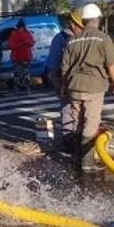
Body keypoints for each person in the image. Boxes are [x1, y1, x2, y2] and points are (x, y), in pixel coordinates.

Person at [60, 3, 114, 172]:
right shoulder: (103, 38)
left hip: (74, 87)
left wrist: (64, 87)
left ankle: (77, 157)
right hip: (93, 86)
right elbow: (111, 64)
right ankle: (87, 162)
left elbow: (64, 68)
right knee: (91, 123)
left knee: (77, 121)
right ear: (98, 20)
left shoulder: (72, 41)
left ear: (84, 21)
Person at [48, 9, 84, 149]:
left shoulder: (65, 38)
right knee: (68, 108)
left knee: (72, 108)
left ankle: (75, 139)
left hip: (76, 80)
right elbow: (54, 64)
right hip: (68, 80)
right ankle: (70, 140)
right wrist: (58, 83)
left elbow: (54, 63)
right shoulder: (61, 39)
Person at [8, 19, 35, 94]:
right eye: (20, 28)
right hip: (17, 57)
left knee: (26, 74)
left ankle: (27, 88)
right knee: (17, 74)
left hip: (26, 57)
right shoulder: (14, 34)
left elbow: (32, 43)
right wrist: (21, 44)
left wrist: (28, 42)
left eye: (22, 28)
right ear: (18, 28)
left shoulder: (27, 33)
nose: (21, 29)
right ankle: (17, 88)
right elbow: (11, 45)